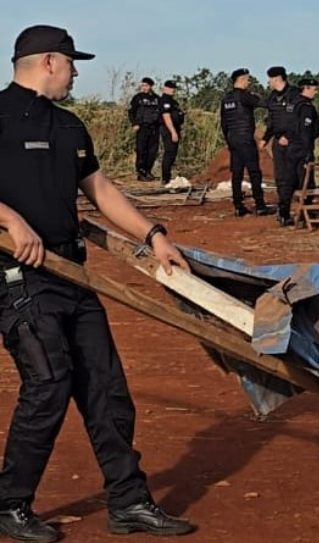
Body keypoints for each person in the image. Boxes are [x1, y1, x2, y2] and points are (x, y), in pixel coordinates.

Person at [0, 25, 194, 542]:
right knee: (48, 383)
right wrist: (9, 220)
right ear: (47, 62)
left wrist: (154, 235)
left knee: (106, 388)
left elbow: (101, 190)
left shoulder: (69, 127)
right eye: (71, 63)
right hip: (18, 276)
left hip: (71, 272)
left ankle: (129, 502)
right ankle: (10, 503)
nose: (76, 72)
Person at [220, 68, 274, 216]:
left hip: (233, 139)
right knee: (254, 172)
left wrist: (229, 140)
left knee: (236, 173)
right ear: (241, 80)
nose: (249, 82)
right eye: (247, 79)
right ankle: (260, 205)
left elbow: (223, 123)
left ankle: (238, 205)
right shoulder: (245, 96)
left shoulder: (226, 99)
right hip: (245, 138)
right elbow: (264, 103)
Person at [260, 66, 304, 226]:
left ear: (277, 78)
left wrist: (289, 136)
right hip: (278, 144)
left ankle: (305, 211)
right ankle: (284, 213)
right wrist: (265, 138)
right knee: (282, 179)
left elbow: (300, 121)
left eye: (270, 79)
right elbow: (271, 123)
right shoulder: (272, 98)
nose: (268, 82)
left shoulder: (296, 95)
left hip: (295, 144)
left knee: (298, 178)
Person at [128, 77, 161, 181]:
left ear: (151, 86)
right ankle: (141, 172)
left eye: (146, 85)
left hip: (154, 128)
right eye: (142, 85)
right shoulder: (138, 98)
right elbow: (131, 112)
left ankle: (148, 171)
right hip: (142, 127)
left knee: (152, 151)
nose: (144, 88)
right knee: (141, 150)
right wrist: (134, 124)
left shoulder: (156, 98)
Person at [295, 77, 319, 206]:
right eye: (314, 89)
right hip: (303, 149)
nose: (316, 92)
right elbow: (305, 132)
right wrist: (307, 154)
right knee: (307, 182)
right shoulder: (306, 107)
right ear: (306, 88)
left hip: (293, 149)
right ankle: (306, 212)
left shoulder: (295, 104)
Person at [159, 80, 184, 186]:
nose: (172, 89)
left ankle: (168, 176)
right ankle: (165, 178)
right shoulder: (165, 100)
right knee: (169, 153)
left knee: (173, 153)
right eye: (170, 87)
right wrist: (173, 132)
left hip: (175, 128)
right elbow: (166, 117)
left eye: (173, 87)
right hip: (168, 129)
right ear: (165, 88)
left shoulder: (173, 101)